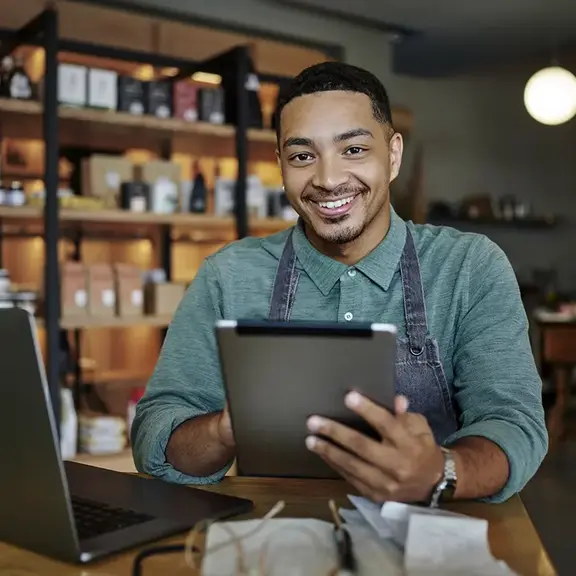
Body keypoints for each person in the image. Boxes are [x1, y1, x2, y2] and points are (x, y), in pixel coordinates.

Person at [131, 61, 548, 505]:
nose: (328, 180)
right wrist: (224, 428)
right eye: (302, 156)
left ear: (392, 155)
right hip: (275, 540)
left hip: (434, 537)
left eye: (353, 150)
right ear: (280, 165)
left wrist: (440, 471)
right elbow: (157, 434)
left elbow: (513, 424)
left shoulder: (469, 266)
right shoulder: (227, 276)